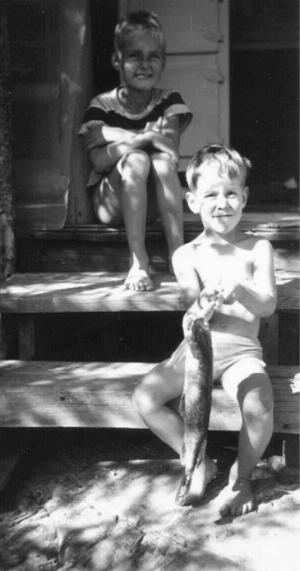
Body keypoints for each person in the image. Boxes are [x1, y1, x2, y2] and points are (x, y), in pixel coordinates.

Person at [133, 144, 277, 517]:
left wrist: (242, 290)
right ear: (192, 201)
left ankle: (241, 478)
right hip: (198, 351)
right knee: (145, 398)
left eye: (231, 193)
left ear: (244, 197)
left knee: (260, 409)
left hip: (242, 352)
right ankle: (197, 462)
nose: (223, 202)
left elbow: (268, 305)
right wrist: (206, 303)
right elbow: (192, 310)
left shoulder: (258, 248)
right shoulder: (186, 255)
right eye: (211, 194)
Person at [79, 11, 192, 291]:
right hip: (112, 201)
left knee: (162, 165)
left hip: (151, 201)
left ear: (163, 61)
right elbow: (99, 160)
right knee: (138, 159)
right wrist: (145, 137)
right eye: (134, 56)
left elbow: (168, 153)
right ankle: (138, 260)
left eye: (153, 56)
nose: (144, 65)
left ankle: (177, 254)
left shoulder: (169, 101)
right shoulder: (102, 105)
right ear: (117, 60)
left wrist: (115, 137)